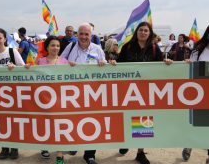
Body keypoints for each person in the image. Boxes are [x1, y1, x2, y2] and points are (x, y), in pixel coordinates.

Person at [115, 21, 172, 164]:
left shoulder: (154, 48)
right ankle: (126, 141)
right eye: (141, 30)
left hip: (146, 91)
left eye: (146, 31)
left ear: (150, 33)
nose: (143, 33)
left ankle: (140, 152)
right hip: (127, 90)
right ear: (137, 32)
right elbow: (118, 67)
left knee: (143, 120)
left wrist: (167, 63)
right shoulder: (127, 47)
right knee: (126, 117)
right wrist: (113, 63)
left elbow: (160, 66)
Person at [61, 23, 107, 164]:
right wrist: (66, 64)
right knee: (75, 121)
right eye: (81, 34)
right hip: (74, 94)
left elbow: (105, 70)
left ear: (91, 36)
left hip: (93, 93)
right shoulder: (70, 48)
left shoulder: (98, 49)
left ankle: (89, 155)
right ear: (77, 35)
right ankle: (74, 144)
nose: (83, 37)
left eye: (87, 34)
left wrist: (104, 63)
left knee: (92, 123)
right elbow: (59, 63)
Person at [0, 28, 25, 160]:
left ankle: (14, 148)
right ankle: (4, 148)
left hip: (13, 93)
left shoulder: (12, 51)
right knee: (2, 121)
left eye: (0, 38)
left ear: (5, 39)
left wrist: (14, 68)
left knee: (13, 121)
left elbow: (23, 67)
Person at [36, 36, 68, 164]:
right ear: (47, 47)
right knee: (45, 125)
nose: (56, 48)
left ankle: (60, 155)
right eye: (53, 45)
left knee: (59, 126)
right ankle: (44, 147)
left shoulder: (65, 61)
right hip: (44, 99)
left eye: (58, 46)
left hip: (60, 99)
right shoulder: (40, 61)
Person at [182, 25, 209, 164]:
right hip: (199, 93)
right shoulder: (198, 51)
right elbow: (190, 69)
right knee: (198, 123)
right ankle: (189, 144)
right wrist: (187, 64)